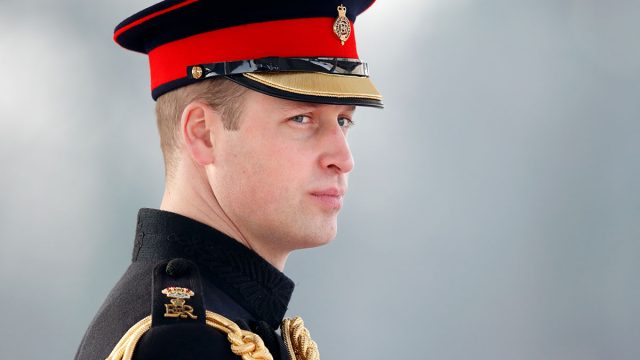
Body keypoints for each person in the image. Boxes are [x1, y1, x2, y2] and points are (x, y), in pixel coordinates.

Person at [75, 1, 383, 359]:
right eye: (302, 118)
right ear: (204, 134)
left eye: (343, 121)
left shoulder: (223, 324)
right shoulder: (185, 344)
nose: (344, 160)